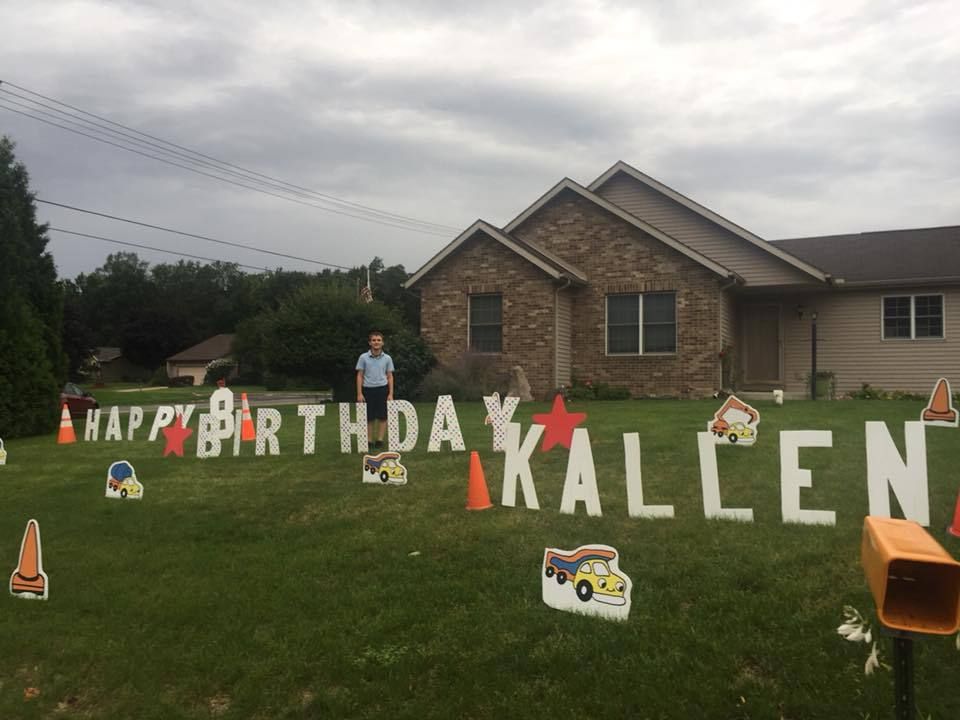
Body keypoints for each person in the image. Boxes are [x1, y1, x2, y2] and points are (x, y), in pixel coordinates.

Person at [356, 330, 394, 450]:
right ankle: (369, 440)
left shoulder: (387, 358)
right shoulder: (363, 357)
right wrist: (359, 393)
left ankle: (380, 439)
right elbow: (360, 375)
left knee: (383, 416)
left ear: (382, 343)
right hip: (368, 390)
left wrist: (390, 393)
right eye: (374, 340)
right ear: (370, 343)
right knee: (369, 417)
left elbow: (390, 376)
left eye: (378, 340)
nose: (376, 342)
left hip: (382, 389)